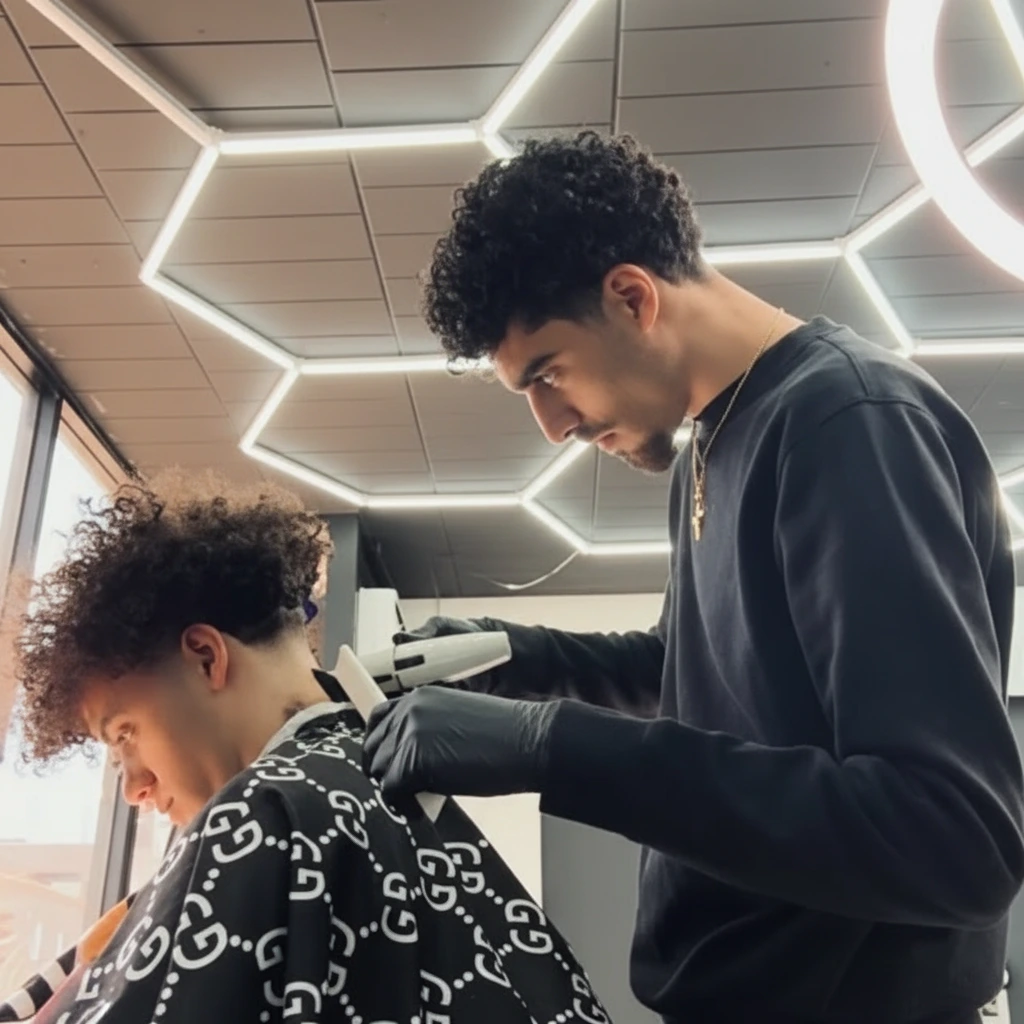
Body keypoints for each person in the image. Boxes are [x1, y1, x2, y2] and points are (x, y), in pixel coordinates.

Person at [362, 131, 1024, 1024]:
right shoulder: (712, 443)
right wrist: (509, 655)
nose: (552, 425)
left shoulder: (849, 423)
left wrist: (548, 745)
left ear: (632, 297)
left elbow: (953, 836)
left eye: (548, 374)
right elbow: (693, 672)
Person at [1, 472, 609, 1024]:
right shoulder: (384, 782)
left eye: (124, 735)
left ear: (206, 657)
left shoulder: (263, 814)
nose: (135, 787)